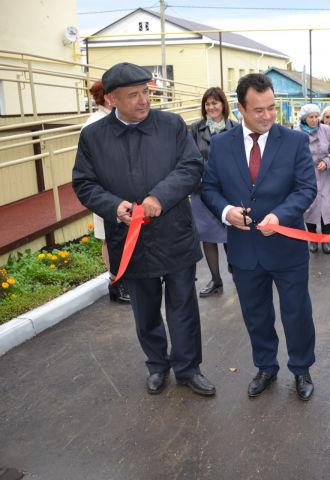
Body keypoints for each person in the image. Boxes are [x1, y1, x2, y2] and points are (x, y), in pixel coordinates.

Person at [73, 62, 215, 396]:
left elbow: (191, 166)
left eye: (146, 92)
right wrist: (114, 206)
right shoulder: (93, 136)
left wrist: (160, 197)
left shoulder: (171, 125)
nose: (143, 101)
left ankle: (188, 368)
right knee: (145, 310)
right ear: (111, 100)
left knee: (183, 307)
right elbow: (84, 182)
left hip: (174, 235)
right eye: (132, 95)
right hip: (130, 240)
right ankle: (157, 365)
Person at [201, 73, 318, 401]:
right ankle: (266, 366)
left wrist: (280, 216)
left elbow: (306, 188)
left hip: (287, 246)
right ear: (239, 109)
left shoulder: (294, 141)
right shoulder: (222, 144)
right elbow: (209, 188)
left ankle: (301, 368)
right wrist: (226, 213)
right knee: (256, 313)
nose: (267, 116)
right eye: (258, 110)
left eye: (272, 108)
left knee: (296, 312)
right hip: (244, 249)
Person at [82, 81, 130, 304]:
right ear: (107, 98)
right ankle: (115, 282)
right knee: (109, 239)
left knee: (119, 238)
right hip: (105, 195)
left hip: (122, 193)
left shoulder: (119, 119)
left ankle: (123, 279)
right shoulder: (94, 125)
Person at [189, 87, 237, 298]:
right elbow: (190, 158)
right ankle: (216, 280)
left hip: (228, 192)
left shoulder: (235, 128)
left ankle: (237, 273)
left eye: (215, 103)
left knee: (230, 234)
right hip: (201, 191)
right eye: (207, 104)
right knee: (208, 236)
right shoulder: (194, 129)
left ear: (223, 105)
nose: (211, 107)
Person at [296, 104, 330, 254]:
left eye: (316, 116)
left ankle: (325, 240)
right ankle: (313, 239)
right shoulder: (297, 133)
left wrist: (327, 162)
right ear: (304, 118)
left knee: (326, 207)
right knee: (310, 208)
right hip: (307, 177)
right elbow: (293, 156)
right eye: (311, 117)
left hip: (325, 175)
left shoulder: (326, 130)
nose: (314, 120)